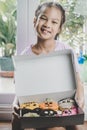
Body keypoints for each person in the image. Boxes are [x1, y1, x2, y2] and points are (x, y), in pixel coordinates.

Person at [13, 2, 84, 130]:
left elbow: (78, 81)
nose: (47, 25)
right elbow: (20, 90)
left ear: (59, 28)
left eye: (54, 22)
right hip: (34, 109)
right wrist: (15, 103)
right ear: (35, 21)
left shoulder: (66, 51)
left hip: (59, 108)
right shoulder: (25, 56)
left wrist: (80, 97)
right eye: (43, 18)